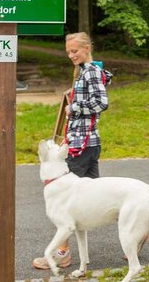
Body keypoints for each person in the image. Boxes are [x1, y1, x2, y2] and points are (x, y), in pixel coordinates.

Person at [33, 32, 112, 270]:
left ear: (87, 48)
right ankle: (140, 231)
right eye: (68, 52)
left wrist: (74, 106)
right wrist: (75, 94)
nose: (71, 55)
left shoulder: (89, 71)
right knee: (96, 197)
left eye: (75, 51)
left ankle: (62, 253)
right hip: (88, 143)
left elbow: (101, 102)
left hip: (81, 144)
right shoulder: (86, 71)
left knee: (67, 201)